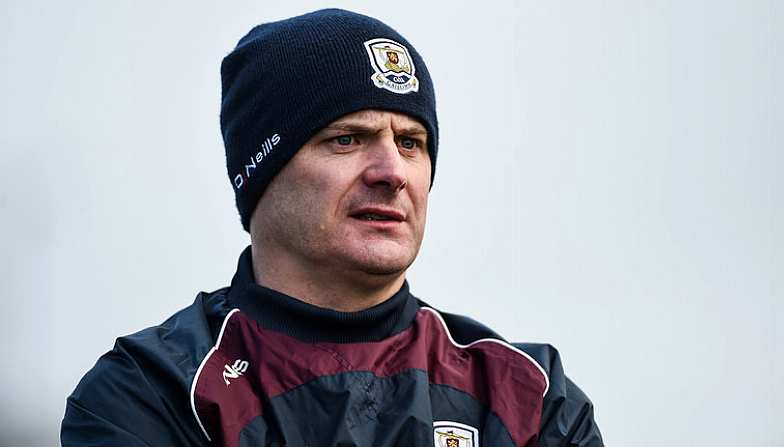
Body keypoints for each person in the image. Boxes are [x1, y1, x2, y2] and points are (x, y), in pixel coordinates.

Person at [61, 9, 603, 447]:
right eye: (346, 138)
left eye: (411, 143)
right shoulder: (154, 392)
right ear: (262, 170)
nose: (392, 173)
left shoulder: (528, 395)